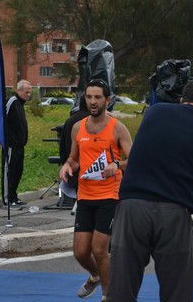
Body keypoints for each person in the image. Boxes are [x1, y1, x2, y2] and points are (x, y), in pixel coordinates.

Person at [107, 78, 193, 302]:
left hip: (132, 208)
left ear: (182, 100)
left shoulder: (155, 112)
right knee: (176, 291)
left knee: (121, 289)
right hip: (175, 212)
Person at [59, 79, 133, 301]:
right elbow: (74, 158)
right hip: (85, 196)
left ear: (107, 100)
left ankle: (108, 295)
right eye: (89, 97)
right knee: (81, 252)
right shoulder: (77, 128)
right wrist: (66, 166)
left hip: (110, 196)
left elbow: (137, 159)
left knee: (100, 250)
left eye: (98, 97)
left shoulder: (118, 128)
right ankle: (95, 276)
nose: (92, 101)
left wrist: (117, 165)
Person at [0, 79, 33, 210]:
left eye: (30, 92)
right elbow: (0, 120)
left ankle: (13, 197)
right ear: (19, 90)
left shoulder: (21, 105)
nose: (28, 95)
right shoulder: (11, 102)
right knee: (9, 172)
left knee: (18, 171)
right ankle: (7, 199)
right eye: (26, 92)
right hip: (11, 145)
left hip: (20, 146)